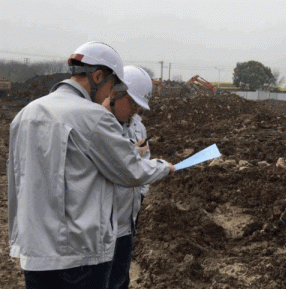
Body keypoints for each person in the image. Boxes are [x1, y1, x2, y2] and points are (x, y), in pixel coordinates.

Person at [7, 42, 175, 289]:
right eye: (112, 86)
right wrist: (164, 167)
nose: (110, 94)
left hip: (36, 255)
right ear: (97, 76)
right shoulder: (92, 116)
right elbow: (131, 170)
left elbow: (15, 182)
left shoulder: (25, 115)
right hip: (80, 256)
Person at [102, 66, 153, 288]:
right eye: (132, 103)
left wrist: (140, 196)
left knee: (121, 278)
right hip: (102, 223)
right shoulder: (98, 123)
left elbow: (145, 160)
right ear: (116, 94)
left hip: (128, 218)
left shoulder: (137, 126)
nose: (134, 110)